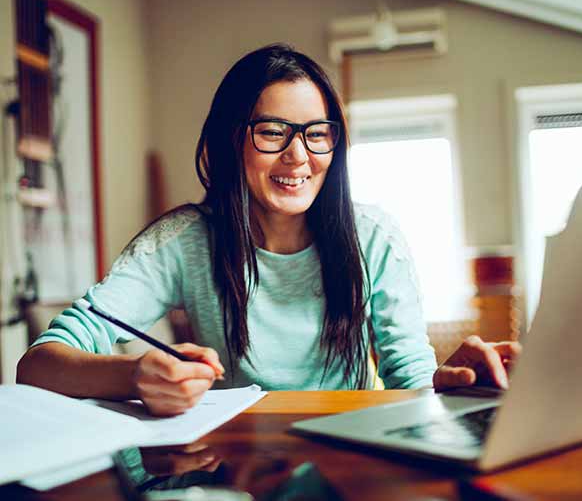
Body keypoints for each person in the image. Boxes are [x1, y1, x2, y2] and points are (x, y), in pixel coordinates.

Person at [17, 44, 520, 416]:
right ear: (232, 139)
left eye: (317, 134)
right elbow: (37, 366)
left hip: (345, 457)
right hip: (230, 461)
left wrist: (454, 380)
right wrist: (134, 374)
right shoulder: (183, 241)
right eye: (273, 132)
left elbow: (409, 382)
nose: (298, 156)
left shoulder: (374, 238)